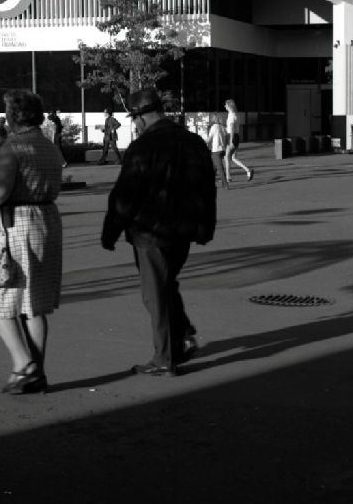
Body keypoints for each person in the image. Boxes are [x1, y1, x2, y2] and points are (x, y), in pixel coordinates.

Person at [101, 88, 217, 377]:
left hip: (150, 231)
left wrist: (111, 230)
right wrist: (205, 227)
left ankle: (165, 357)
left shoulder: (143, 147)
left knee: (155, 294)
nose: (135, 124)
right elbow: (206, 188)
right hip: (184, 230)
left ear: (140, 116)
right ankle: (179, 338)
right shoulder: (192, 141)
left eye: (134, 119)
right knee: (166, 285)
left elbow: (126, 193)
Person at [0, 89, 65, 395]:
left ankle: (23, 364)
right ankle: (36, 372)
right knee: (34, 304)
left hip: (17, 222)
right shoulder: (48, 145)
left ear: (14, 116)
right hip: (47, 219)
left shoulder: (13, 147)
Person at [224, 98, 254, 182]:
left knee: (226, 157)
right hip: (236, 136)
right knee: (233, 158)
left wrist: (231, 141)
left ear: (229, 106)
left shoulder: (231, 116)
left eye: (226, 105)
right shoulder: (236, 115)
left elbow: (232, 129)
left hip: (231, 136)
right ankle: (248, 170)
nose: (225, 106)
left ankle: (228, 177)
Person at [206, 112, 229, 189]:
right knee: (214, 167)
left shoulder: (213, 127)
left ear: (214, 119)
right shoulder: (223, 127)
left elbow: (209, 139)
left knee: (220, 168)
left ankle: (225, 184)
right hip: (222, 150)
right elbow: (226, 139)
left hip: (216, 150)